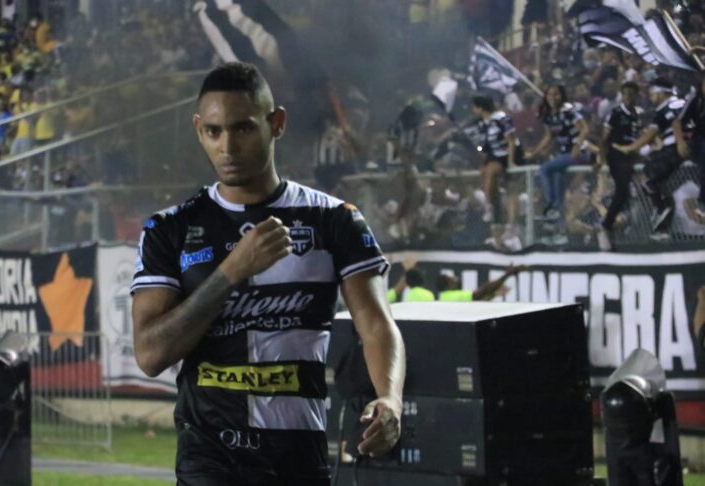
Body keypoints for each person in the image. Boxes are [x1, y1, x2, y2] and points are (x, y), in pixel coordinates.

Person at [131, 63, 405, 486]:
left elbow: (376, 325)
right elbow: (150, 355)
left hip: (299, 454)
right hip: (210, 455)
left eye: (242, 128)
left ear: (276, 123)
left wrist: (389, 398)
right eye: (214, 132)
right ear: (199, 129)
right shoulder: (170, 228)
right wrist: (231, 273)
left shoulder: (334, 219)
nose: (227, 147)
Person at [614, 78, 688, 236]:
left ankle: (662, 207)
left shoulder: (666, 108)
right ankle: (663, 215)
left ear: (660, 93)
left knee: (647, 178)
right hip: (692, 145)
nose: (650, 96)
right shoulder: (683, 102)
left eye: (652, 93)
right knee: (657, 180)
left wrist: (630, 148)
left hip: (674, 147)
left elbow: (653, 133)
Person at [526, 84, 590, 220]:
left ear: (562, 96)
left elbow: (584, 129)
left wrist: (577, 146)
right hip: (563, 153)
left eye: (556, 94)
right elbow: (548, 136)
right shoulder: (548, 114)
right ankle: (558, 212)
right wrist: (534, 153)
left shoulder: (568, 110)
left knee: (544, 169)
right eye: (550, 94)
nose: (553, 97)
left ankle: (550, 204)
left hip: (577, 152)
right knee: (558, 175)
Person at [471, 95, 524, 249]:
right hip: (494, 154)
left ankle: (498, 212)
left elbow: (511, 140)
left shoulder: (501, 118)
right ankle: (492, 205)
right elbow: (484, 145)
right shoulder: (482, 123)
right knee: (485, 172)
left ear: (480, 107)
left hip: (508, 153)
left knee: (496, 175)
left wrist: (511, 161)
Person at [596, 81, 644, 251]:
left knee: (627, 193)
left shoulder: (639, 114)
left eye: (631, 93)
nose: (628, 96)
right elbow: (604, 138)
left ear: (637, 95)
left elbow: (641, 134)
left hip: (632, 154)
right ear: (622, 96)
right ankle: (605, 226)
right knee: (622, 190)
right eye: (625, 94)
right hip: (617, 154)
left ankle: (611, 228)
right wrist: (601, 159)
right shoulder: (615, 113)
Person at [675, 75, 705, 219]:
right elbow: (678, 122)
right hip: (700, 140)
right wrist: (680, 142)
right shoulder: (695, 100)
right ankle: (703, 202)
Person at [436, 265, 529, 301]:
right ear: (448, 284)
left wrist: (493, 295)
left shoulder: (445, 297)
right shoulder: (452, 296)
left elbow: (478, 301)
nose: (457, 279)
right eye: (452, 279)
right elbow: (482, 291)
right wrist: (507, 274)